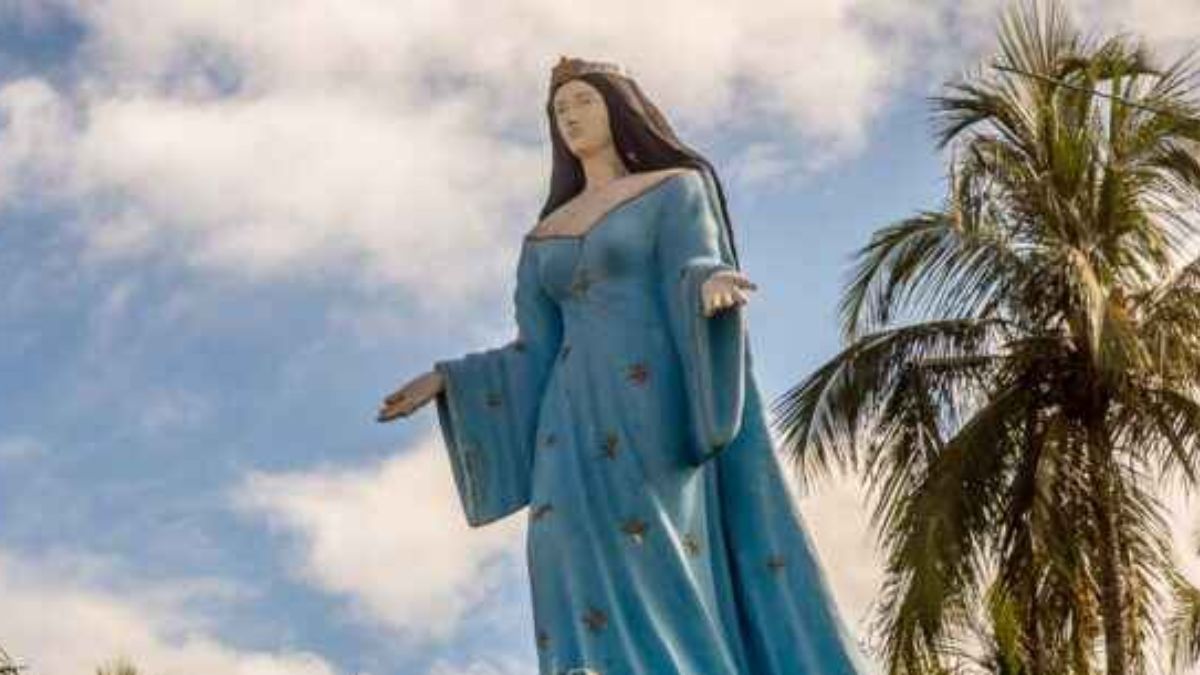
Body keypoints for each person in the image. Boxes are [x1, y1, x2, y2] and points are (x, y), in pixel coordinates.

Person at [378, 55, 873, 675]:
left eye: (583, 101)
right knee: (563, 547)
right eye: (559, 111)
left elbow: (695, 259)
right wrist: (448, 381)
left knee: (657, 548)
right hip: (567, 416)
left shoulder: (673, 189)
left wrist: (710, 281)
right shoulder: (543, 237)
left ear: (617, 108)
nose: (570, 117)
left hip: (651, 404)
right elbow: (533, 348)